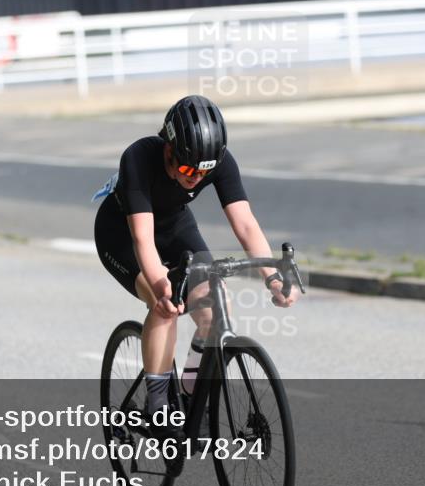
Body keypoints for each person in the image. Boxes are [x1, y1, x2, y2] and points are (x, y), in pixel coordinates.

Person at [94, 95, 299, 426]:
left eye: (205, 171)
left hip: (175, 227)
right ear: (169, 150)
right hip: (122, 234)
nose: (196, 178)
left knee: (218, 308)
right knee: (166, 305)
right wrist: (162, 287)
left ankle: (192, 395)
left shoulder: (218, 162)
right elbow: (142, 238)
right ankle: (157, 401)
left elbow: (245, 224)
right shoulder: (138, 158)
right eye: (188, 169)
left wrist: (271, 277)